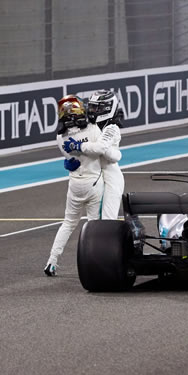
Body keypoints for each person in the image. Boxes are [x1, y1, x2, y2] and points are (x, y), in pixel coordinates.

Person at [44, 95, 121, 277]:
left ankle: (51, 261)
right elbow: (104, 151)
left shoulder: (59, 137)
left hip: (74, 184)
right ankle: (95, 264)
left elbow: (70, 160)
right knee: (95, 228)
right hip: (94, 183)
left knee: (68, 223)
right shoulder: (94, 130)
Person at [63, 89, 125, 220]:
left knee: (108, 218)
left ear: (107, 108)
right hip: (95, 176)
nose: (91, 111)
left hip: (111, 177)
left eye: (96, 108)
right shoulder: (90, 126)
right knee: (95, 220)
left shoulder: (112, 128)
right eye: (91, 107)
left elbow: (100, 148)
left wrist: (78, 146)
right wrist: (70, 158)